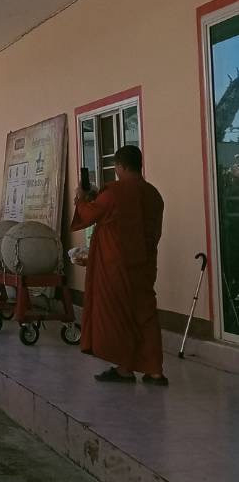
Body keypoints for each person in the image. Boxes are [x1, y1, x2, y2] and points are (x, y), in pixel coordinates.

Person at [71, 145, 166, 384]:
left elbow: (89, 215)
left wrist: (82, 198)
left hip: (117, 266)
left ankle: (124, 369)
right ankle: (155, 371)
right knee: (146, 315)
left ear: (120, 167)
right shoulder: (154, 194)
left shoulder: (114, 192)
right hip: (144, 266)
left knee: (119, 317)